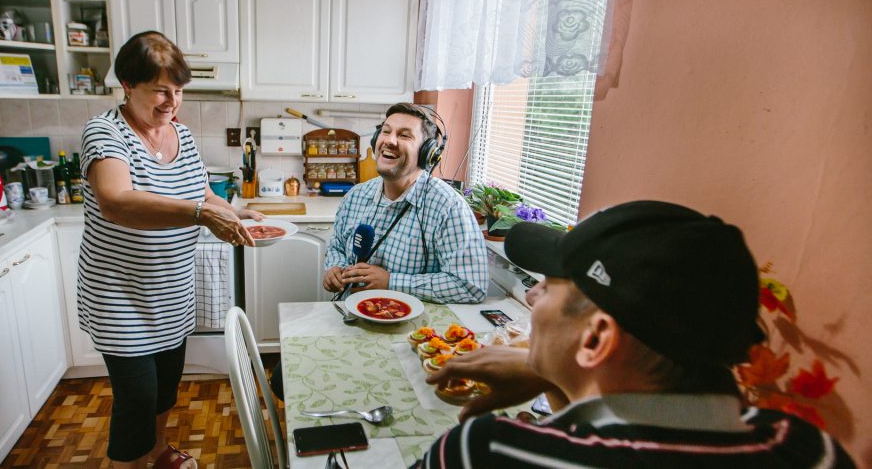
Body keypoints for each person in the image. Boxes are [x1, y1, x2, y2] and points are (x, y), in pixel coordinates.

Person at [419, 200, 855, 468]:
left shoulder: (489, 453)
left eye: (550, 285)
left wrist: (556, 374)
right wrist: (560, 376)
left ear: (595, 340)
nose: (532, 297)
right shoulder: (811, 450)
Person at [78, 31, 264, 469]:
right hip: (120, 297)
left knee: (165, 389)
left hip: (170, 293)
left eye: (178, 90)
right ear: (127, 84)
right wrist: (201, 214)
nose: (171, 101)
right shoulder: (104, 133)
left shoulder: (180, 135)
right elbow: (116, 201)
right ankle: (133, 462)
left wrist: (238, 214)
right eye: (160, 90)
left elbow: (201, 191)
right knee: (136, 401)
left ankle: (159, 451)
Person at [323, 102, 488, 304]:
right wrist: (334, 268)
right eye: (385, 131)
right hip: (351, 317)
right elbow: (336, 247)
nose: (389, 141)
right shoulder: (355, 196)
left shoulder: (448, 207)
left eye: (404, 135)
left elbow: (471, 286)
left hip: (413, 332)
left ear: (427, 152)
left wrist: (392, 282)